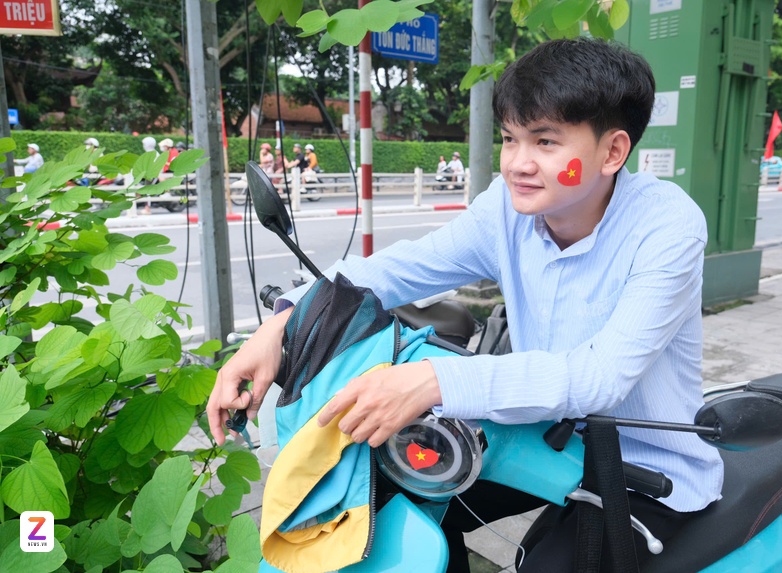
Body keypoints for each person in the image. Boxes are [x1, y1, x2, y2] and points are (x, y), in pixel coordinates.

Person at [207, 38, 723, 572]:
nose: (518, 163)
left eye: (545, 141)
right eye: (510, 139)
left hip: (643, 470)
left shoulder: (666, 226)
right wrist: (282, 324)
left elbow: (600, 376)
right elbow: (398, 268)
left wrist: (433, 380)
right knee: (394, 500)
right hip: (541, 439)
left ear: (612, 152)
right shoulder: (507, 210)